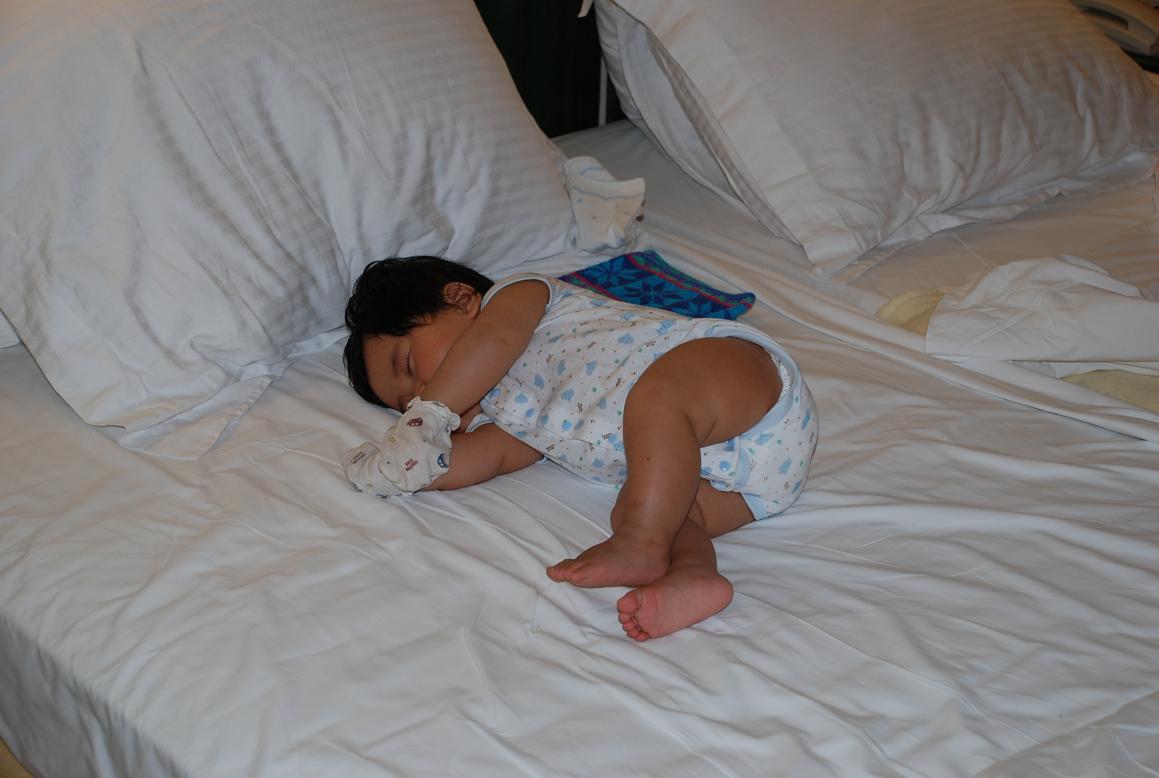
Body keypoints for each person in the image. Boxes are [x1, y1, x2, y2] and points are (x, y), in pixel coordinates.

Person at [341, 256, 818, 641]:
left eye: (410, 366)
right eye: (406, 403)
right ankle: (693, 574)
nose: (423, 392)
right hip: (754, 478)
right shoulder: (508, 413)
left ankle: (641, 544)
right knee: (650, 504)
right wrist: (404, 466)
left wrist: (430, 412)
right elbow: (488, 458)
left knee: (657, 404)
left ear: (460, 299)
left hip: (735, 374)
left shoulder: (520, 299)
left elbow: (493, 341)